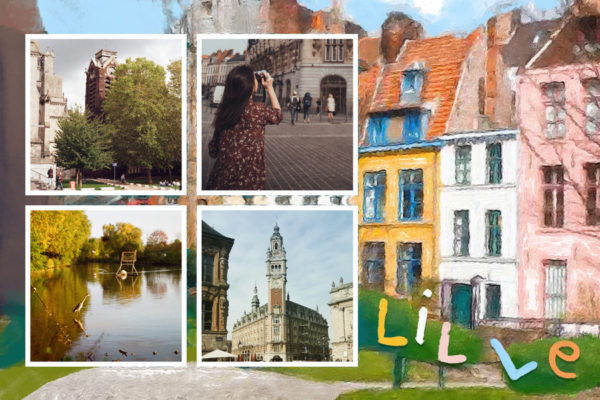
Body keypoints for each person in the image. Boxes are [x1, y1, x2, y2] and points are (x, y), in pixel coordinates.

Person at [206, 65, 282, 190]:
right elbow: (278, 116)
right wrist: (269, 88)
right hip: (249, 178)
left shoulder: (223, 111)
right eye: (255, 79)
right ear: (251, 86)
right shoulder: (257, 110)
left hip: (221, 179)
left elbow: (213, 151)